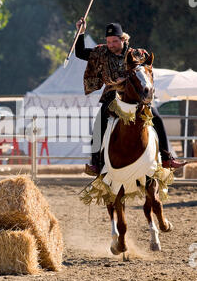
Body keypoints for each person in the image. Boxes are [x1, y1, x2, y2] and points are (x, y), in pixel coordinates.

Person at [75, 18, 186, 175]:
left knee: (157, 118)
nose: (111, 45)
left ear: (123, 39)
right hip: (112, 96)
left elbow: (146, 65)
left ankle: (167, 158)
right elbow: (79, 52)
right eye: (108, 41)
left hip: (136, 97)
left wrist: (130, 74)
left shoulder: (135, 54)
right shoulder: (101, 52)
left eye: (114, 41)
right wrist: (81, 31)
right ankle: (96, 163)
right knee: (98, 126)